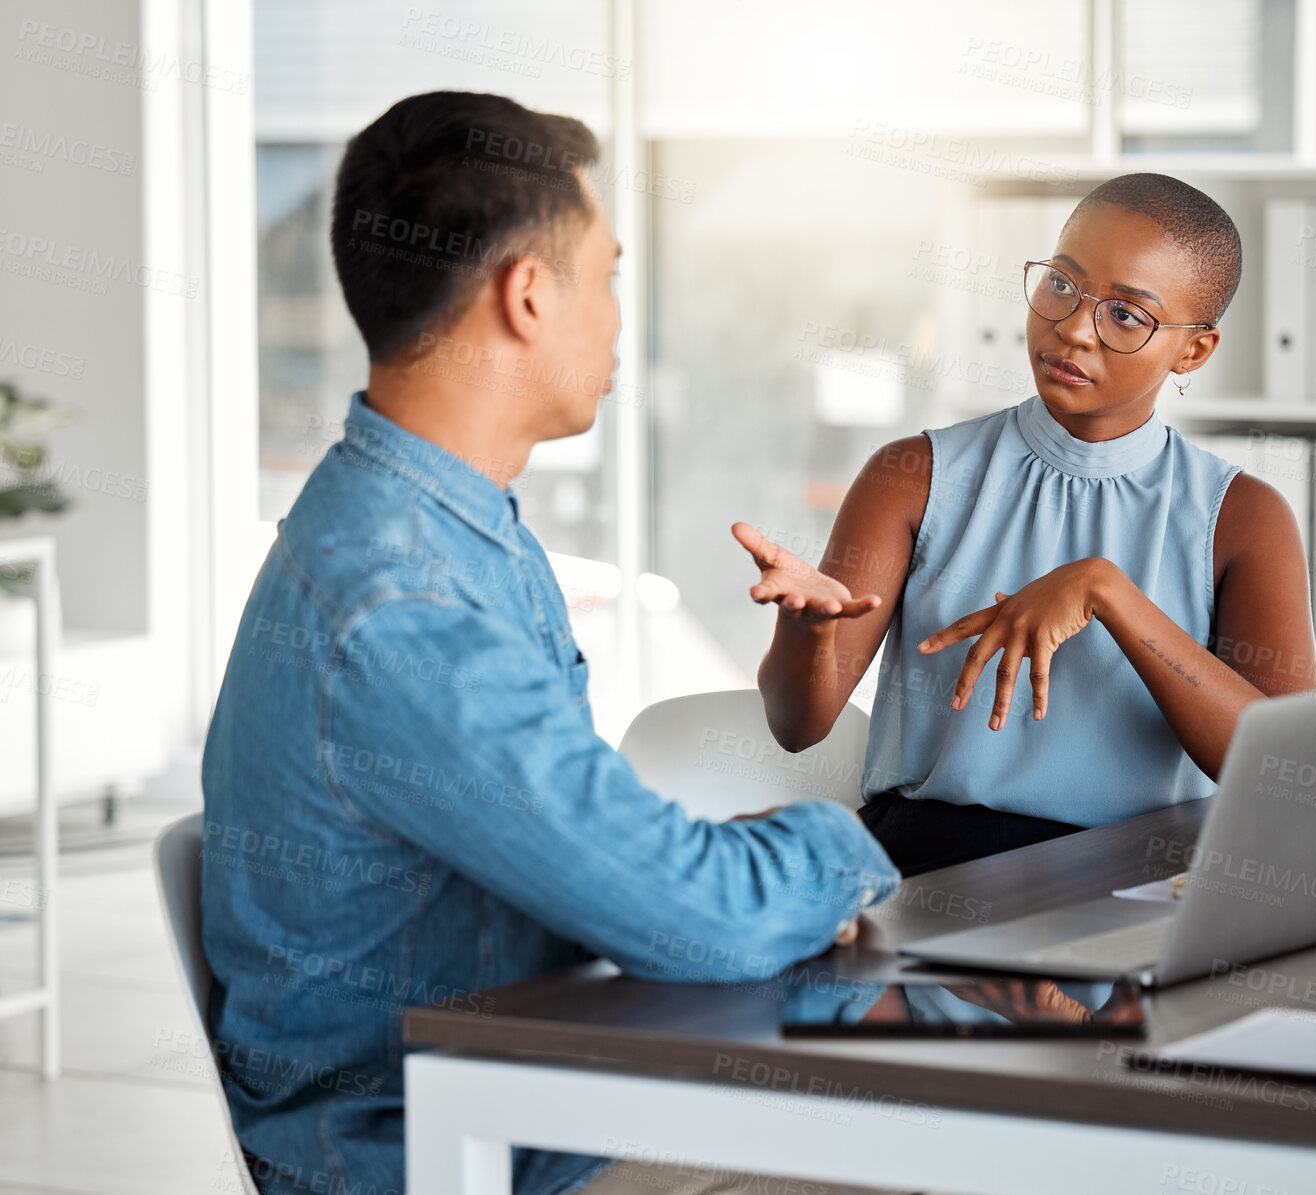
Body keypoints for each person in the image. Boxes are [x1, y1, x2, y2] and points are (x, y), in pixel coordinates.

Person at [200, 91, 900, 1195]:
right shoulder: (404, 599)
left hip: (527, 1083)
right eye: (608, 274)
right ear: (527, 294)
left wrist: (700, 873)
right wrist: (848, 841)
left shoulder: (432, 523)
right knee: (907, 1135)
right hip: (450, 1153)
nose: (620, 316)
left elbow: (594, 854)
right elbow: (697, 927)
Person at [736, 174, 1316, 878]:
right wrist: (807, 628)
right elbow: (798, 727)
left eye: (1126, 315)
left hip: (1137, 885)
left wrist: (1108, 593)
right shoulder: (912, 475)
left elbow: (1285, 777)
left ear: (1192, 352)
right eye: (1062, 286)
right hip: (931, 872)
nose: (1073, 328)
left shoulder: (1244, 517)